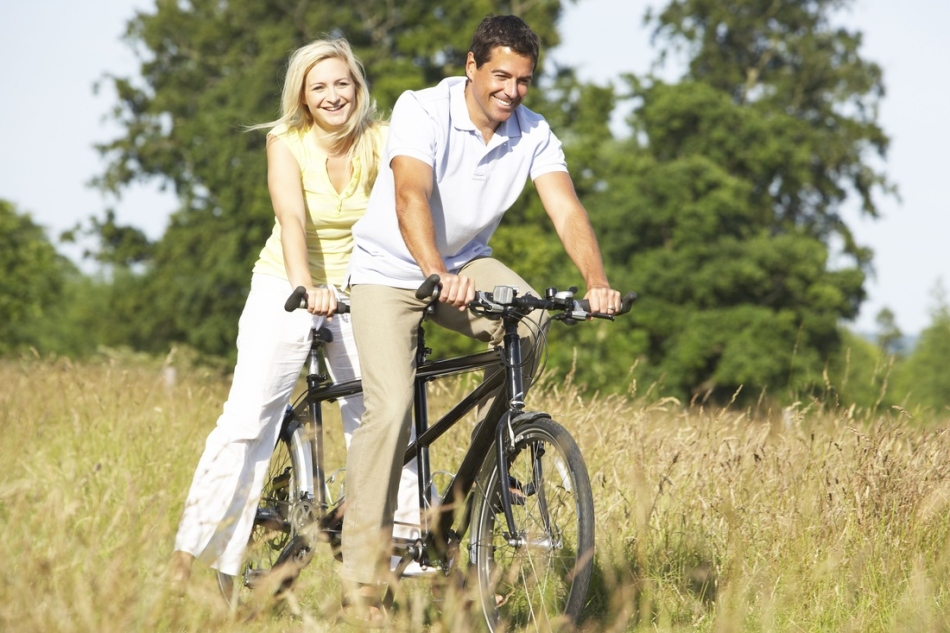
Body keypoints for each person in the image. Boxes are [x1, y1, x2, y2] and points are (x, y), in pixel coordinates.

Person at [341, 14, 623, 623]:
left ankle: (460, 505)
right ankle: (363, 584)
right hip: (390, 271)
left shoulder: (533, 132)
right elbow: (409, 194)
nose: (512, 92)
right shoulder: (423, 109)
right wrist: (437, 272)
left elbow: (567, 210)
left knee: (531, 325)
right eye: (501, 76)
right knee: (389, 409)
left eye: (524, 80)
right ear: (471, 66)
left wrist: (595, 282)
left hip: (467, 264)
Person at [169, 37, 422, 594]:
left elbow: (410, 209)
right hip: (287, 281)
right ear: (303, 98)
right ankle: (190, 556)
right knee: (246, 419)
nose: (334, 96)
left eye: (342, 84)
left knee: (384, 418)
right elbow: (290, 217)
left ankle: (403, 560)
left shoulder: (384, 141)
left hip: (364, 288)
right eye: (320, 87)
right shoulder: (287, 141)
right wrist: (308, 287)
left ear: (358, 88)